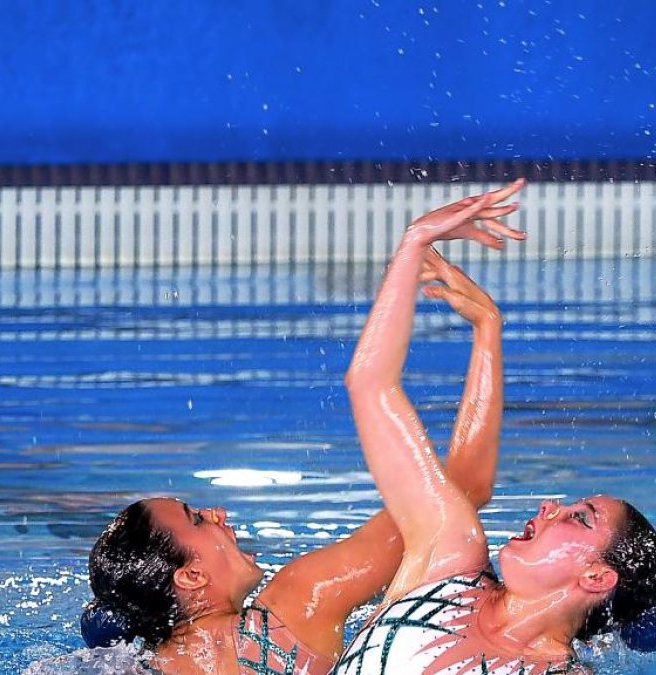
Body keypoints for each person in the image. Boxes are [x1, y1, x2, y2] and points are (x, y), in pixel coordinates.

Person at [82, 187, 524, 675]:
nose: (218, 511)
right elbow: (460, 493)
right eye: (198, 519)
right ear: (191, 576)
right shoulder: (292, 612)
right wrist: (486, 328)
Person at [332, 179, 656, 675]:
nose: (550, 507)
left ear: (598, 577)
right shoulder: (446, 556)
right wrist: (414, 244)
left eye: (578, 518)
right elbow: (370, 385)